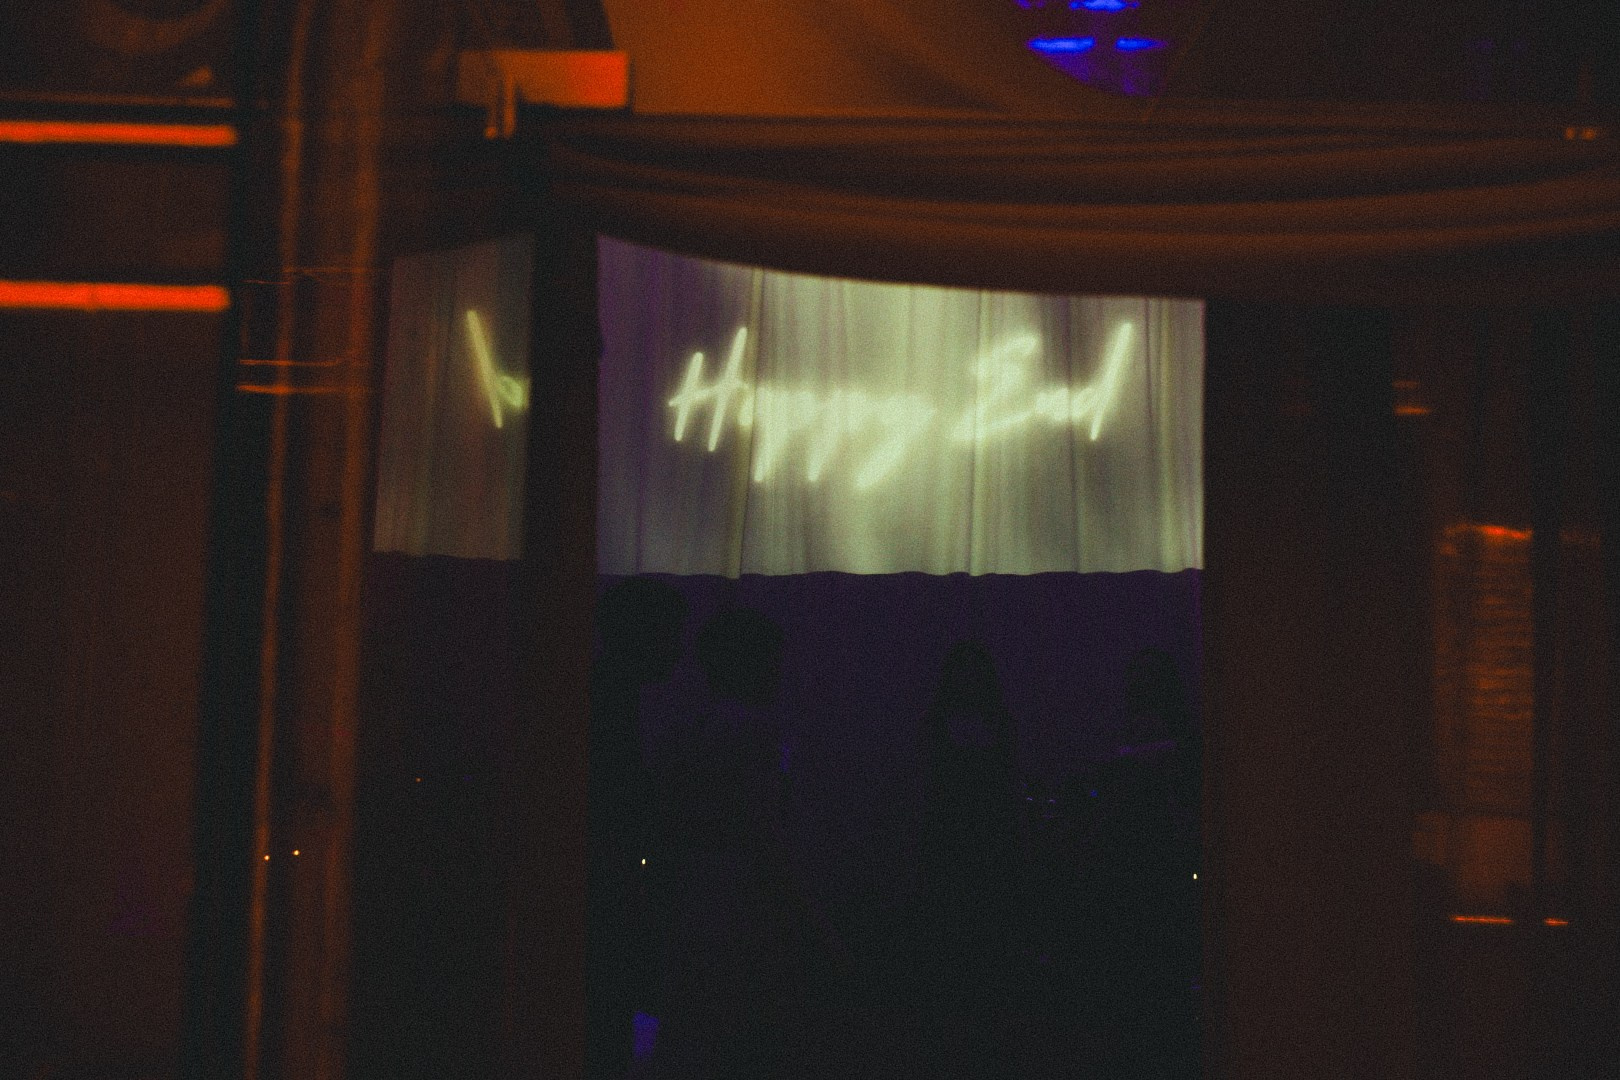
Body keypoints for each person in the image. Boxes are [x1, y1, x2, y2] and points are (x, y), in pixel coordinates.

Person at [652, 608, 841, 1080]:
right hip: (745, 893)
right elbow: (766, 828)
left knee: (701, 1026)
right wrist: (811, 919)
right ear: (753, 664)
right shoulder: (755, 730)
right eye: (772, 661)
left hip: (697, 887)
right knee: (745, 1027)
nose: (779, 672)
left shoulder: (691, 728)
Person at [587, 577, 686, 1080]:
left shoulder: (612, 695)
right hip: (604, 884)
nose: (678, 650)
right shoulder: (612, 701)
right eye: (670, 636)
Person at [913, 641, 1022, 1079]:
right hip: (954, 851)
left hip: (985, 850)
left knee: (983, 953)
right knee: (956, 951)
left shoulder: (989, 726)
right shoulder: (946, 725)